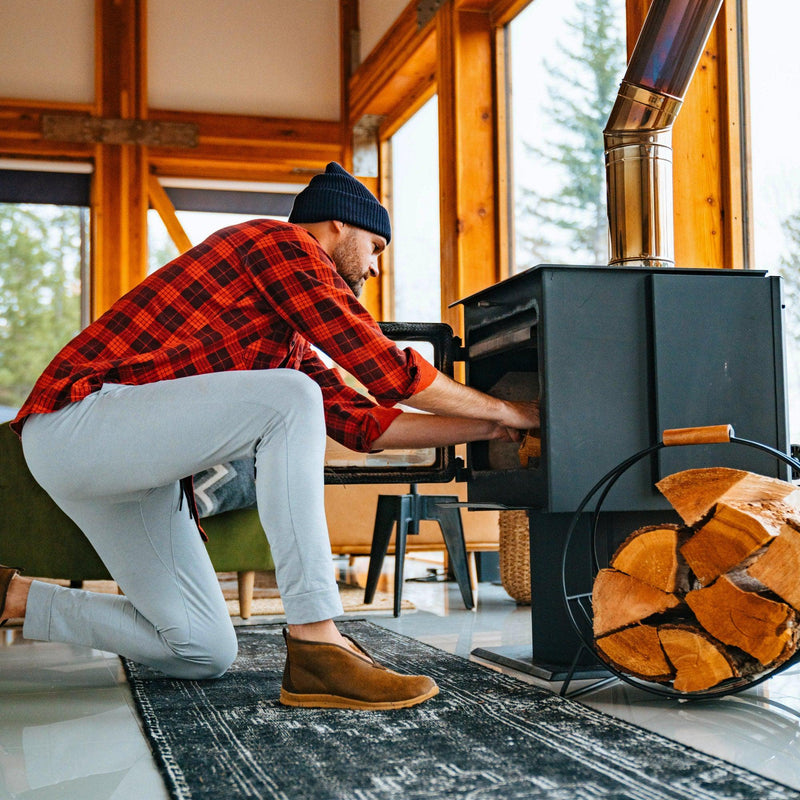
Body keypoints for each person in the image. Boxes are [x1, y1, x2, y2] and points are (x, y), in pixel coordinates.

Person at [0, 162, 539, 710]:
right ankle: (316, 642)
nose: (375, 268)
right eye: (375, 246)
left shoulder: (286, 345)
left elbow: (365, 425)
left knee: (200, 649)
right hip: (79, 421)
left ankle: (12, 596)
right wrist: (510, 409)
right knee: (292, 397)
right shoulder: (277, 242)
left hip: (125, 468)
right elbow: (387, 372)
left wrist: (492, 425)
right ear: (337, 226)